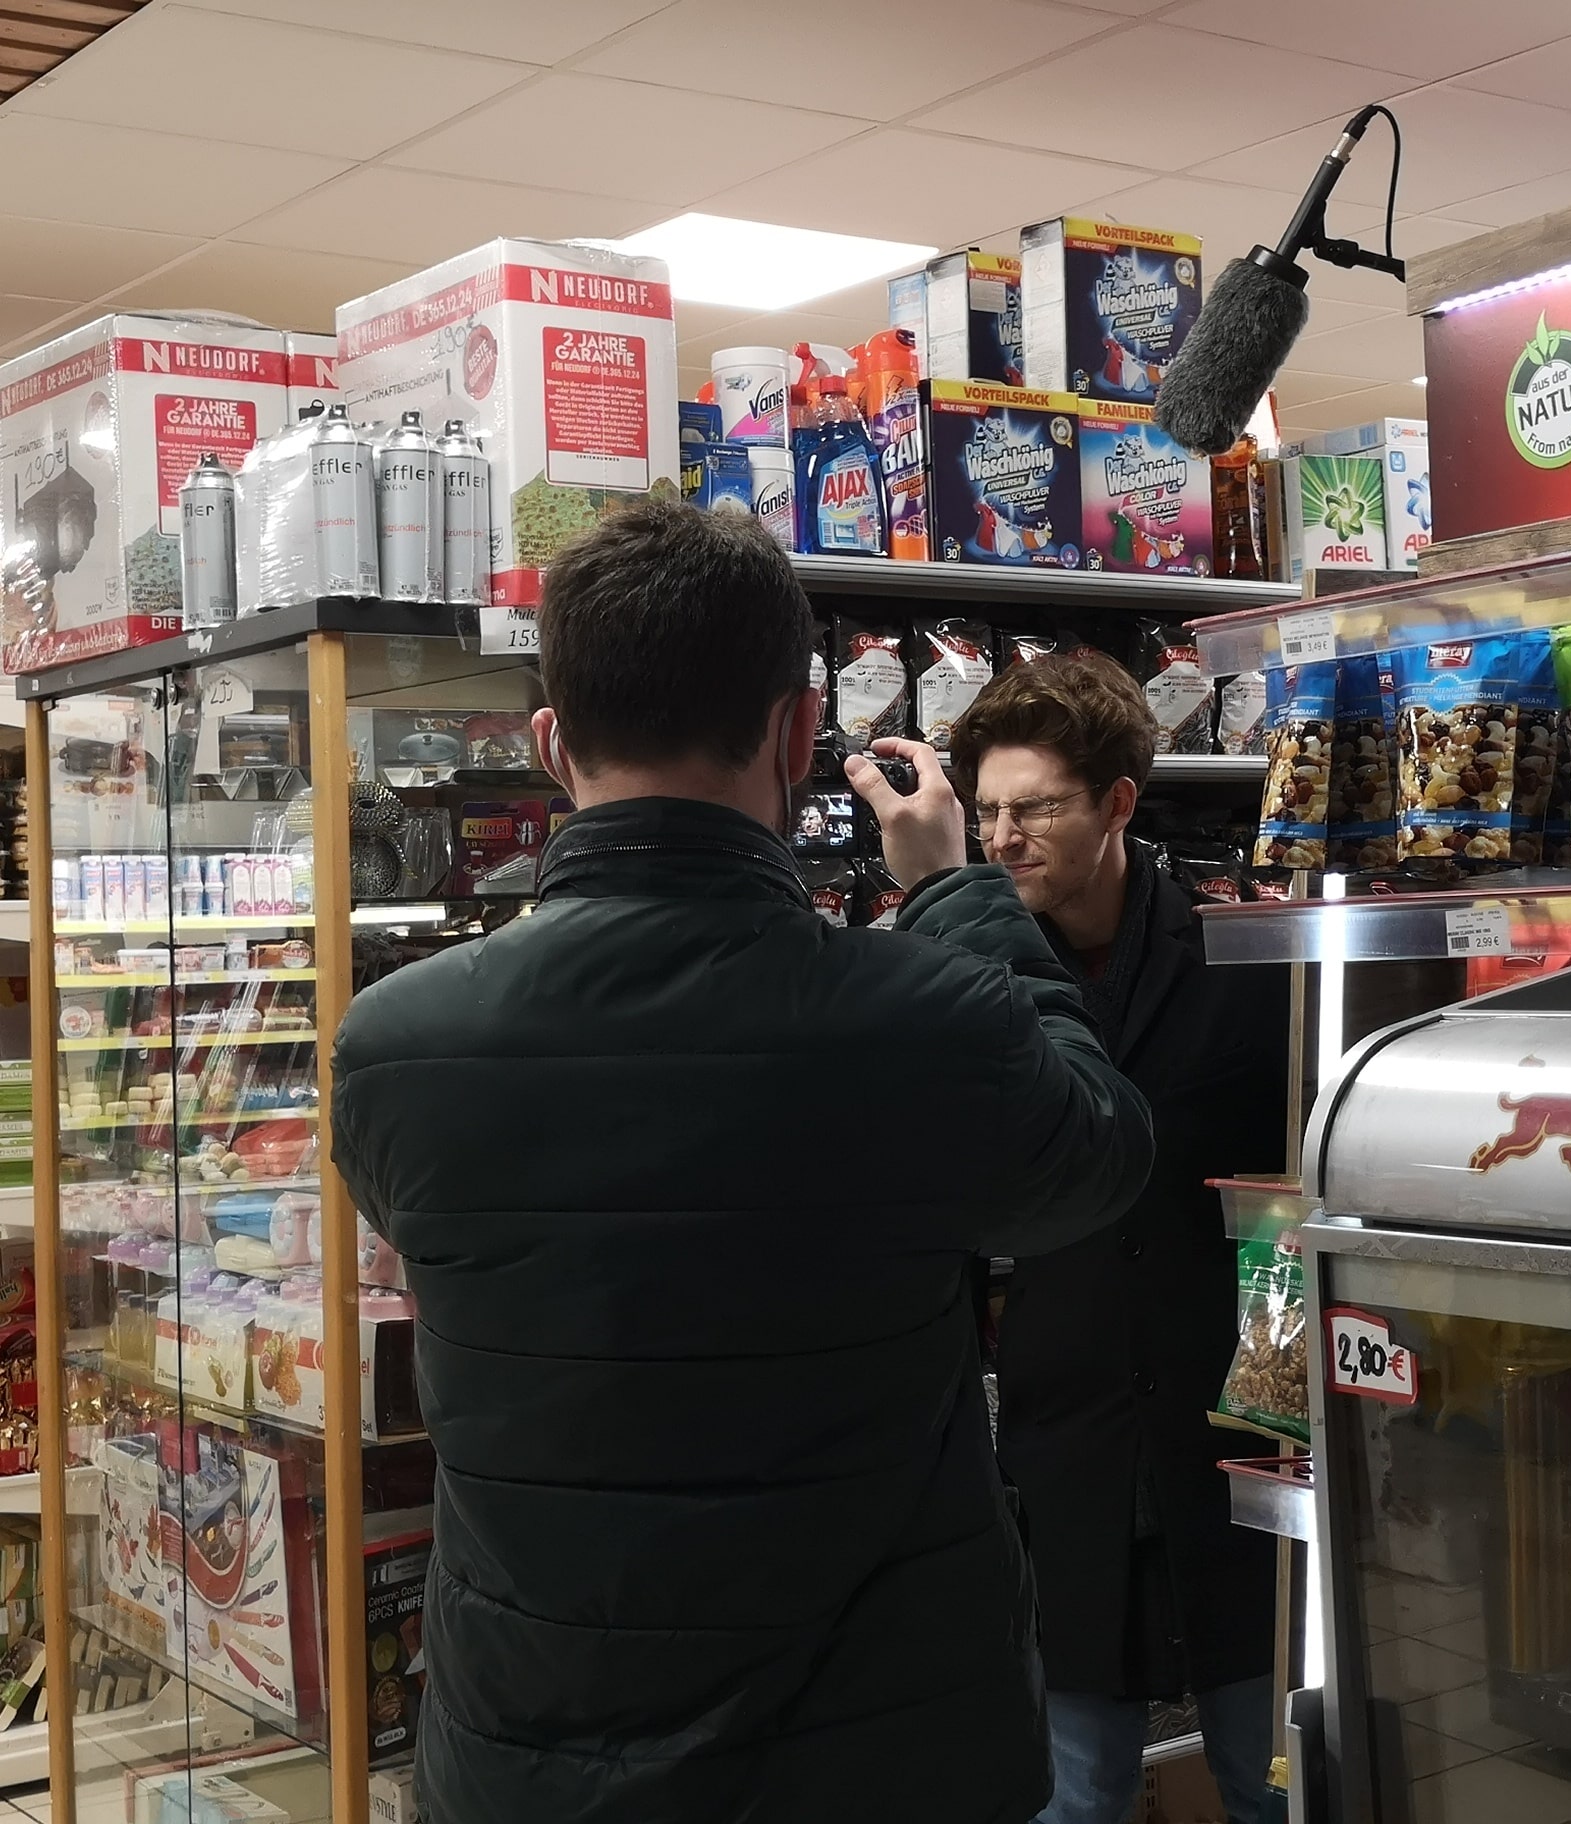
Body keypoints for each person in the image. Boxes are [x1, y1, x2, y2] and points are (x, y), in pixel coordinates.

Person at [330, 501, 1155, 1824]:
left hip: (530, 1760)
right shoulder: (927, 1018)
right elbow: (1098, 1158)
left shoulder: (395, 1047)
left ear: (551, 744)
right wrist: (957, 896)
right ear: (797, 730)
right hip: (885, 1760)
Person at [948, 654, 1290, 1824]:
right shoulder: (976, 980)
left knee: (1271, 1773)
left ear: (1119, 806)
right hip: (1069, 1447)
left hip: (1236, 1431)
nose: (1002, 837)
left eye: (1034, 807)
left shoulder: (1244, 958)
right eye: (988, 810)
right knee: (1070, 1791)